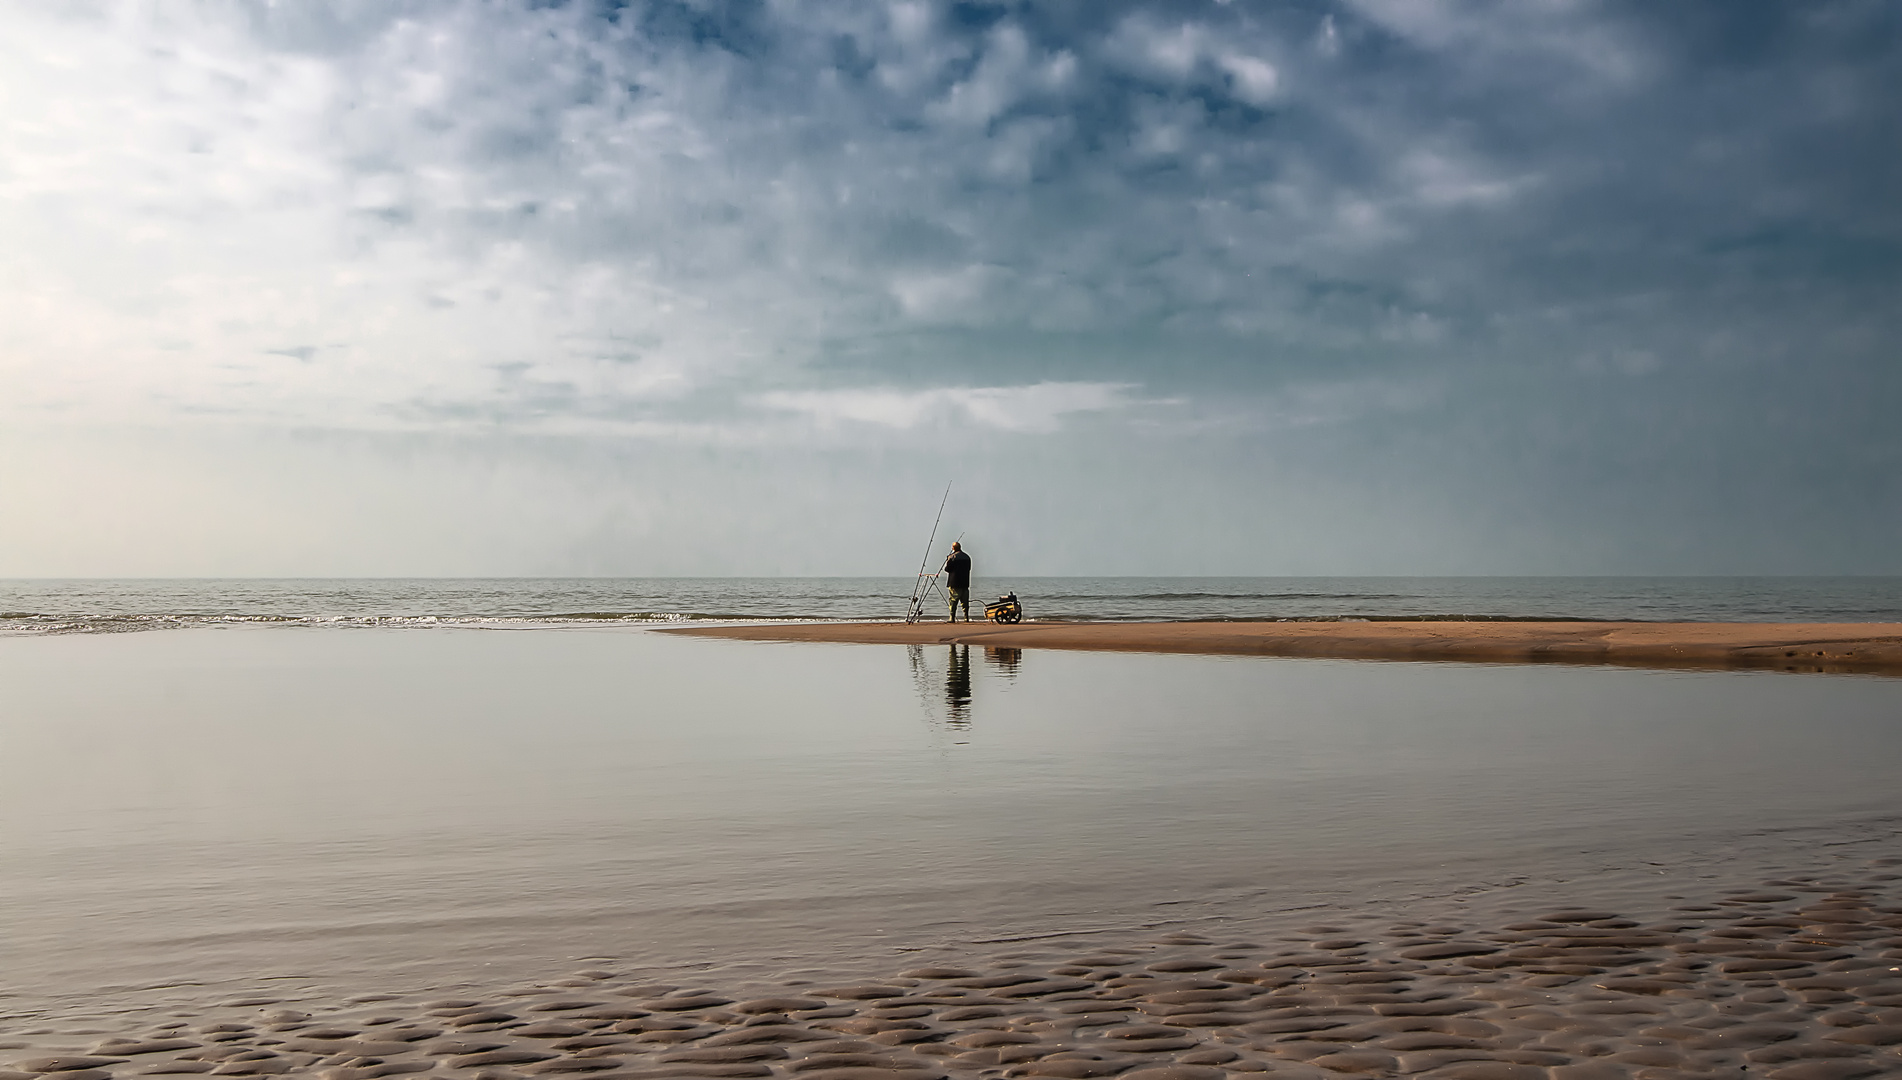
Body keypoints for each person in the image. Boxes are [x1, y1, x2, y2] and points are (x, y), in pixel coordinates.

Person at [942, 541, 972, 622]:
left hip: (954, 582)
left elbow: (947, 569)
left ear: (953, 548)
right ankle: (966, 617)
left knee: (953, 601)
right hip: (965, 582)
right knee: (965, 602)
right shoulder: (967, 557)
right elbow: (969, 569)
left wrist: (948, 560)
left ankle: (952, 618)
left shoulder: (952, 557)